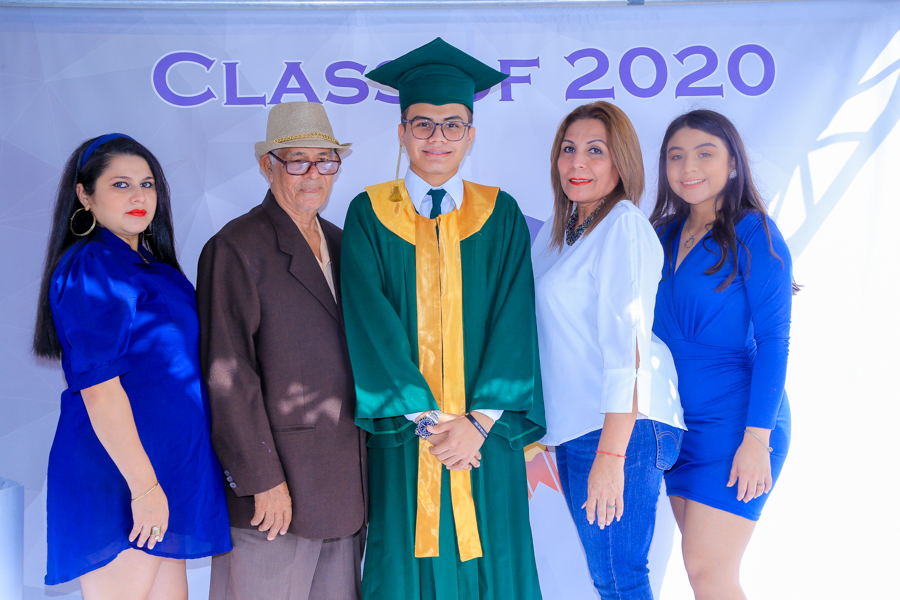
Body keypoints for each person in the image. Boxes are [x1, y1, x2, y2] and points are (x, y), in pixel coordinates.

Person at [340, 38, 545, 600]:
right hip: (409, 437)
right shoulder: (370, 213)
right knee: (405, 560)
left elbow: (515, 322)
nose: (438, 137)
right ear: (402, 132)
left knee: (496, 560)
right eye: (423, 124)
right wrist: (432, 425)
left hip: (486, 439)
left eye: (453, 125)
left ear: (471, 135)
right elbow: (369, 324)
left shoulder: (500, 213)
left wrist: (476, 423)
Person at [32, 134, 232, 598]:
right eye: (120, 184)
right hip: (120, 474)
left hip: (166, 469)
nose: (139, 196)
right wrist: (143, 488)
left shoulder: (151, 265)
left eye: (147, 184)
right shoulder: (93, 267)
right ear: (84, 195)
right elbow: (99, 389)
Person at [196, 101, 367, 600]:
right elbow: (227, 376)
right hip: (275, 498)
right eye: (297, 161)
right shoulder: (235, 247)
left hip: (344, 492)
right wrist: (261, 480)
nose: (313, 174)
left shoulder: (344, 244)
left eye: (325, 160)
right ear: (267, 166)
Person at [531, 101, 686, 600]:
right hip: (578, 425)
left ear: (621, 162)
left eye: (595, 151)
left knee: (620, 578)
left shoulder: (622, 225)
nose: (577, 163)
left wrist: (612, 454)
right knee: (610, 578)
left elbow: (628, 348)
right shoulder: (560, 232)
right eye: (568, 149)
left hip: (621, 427)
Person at [649, 109, 794, 599]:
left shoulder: (755, 232)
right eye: (676, 156)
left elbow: (775, 342)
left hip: (738, 425)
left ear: (733, 163)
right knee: (703, 575)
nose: (688, 166)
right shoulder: (659, 235)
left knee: (710, 572)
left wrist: (756, 441)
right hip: (678, 428)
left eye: (704, 153)